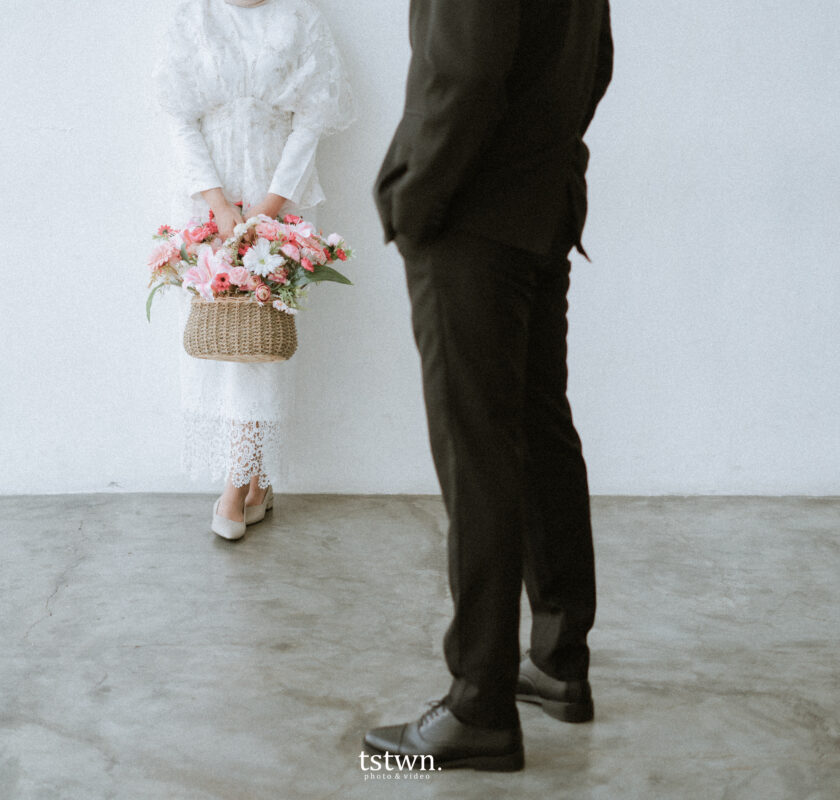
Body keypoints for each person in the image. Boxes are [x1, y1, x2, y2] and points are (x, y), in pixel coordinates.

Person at [363, 0, 614, 772]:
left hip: (470, 213)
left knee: (478, 454)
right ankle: (559, 661)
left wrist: (414, 195)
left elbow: (464, 72)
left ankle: (479, 705)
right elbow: (596, 62)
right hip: (541, 205)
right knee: (539, 431)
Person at [154, 0, 353, 540]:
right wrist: (218, 204)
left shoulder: (300, 17)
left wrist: (269, 207)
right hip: (205, 195)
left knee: (261, 341)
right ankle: (258, 481)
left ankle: (236, 485)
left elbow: (311, 121)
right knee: (221, 336)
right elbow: (179, 117)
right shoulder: (194, 16)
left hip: (279, 192)